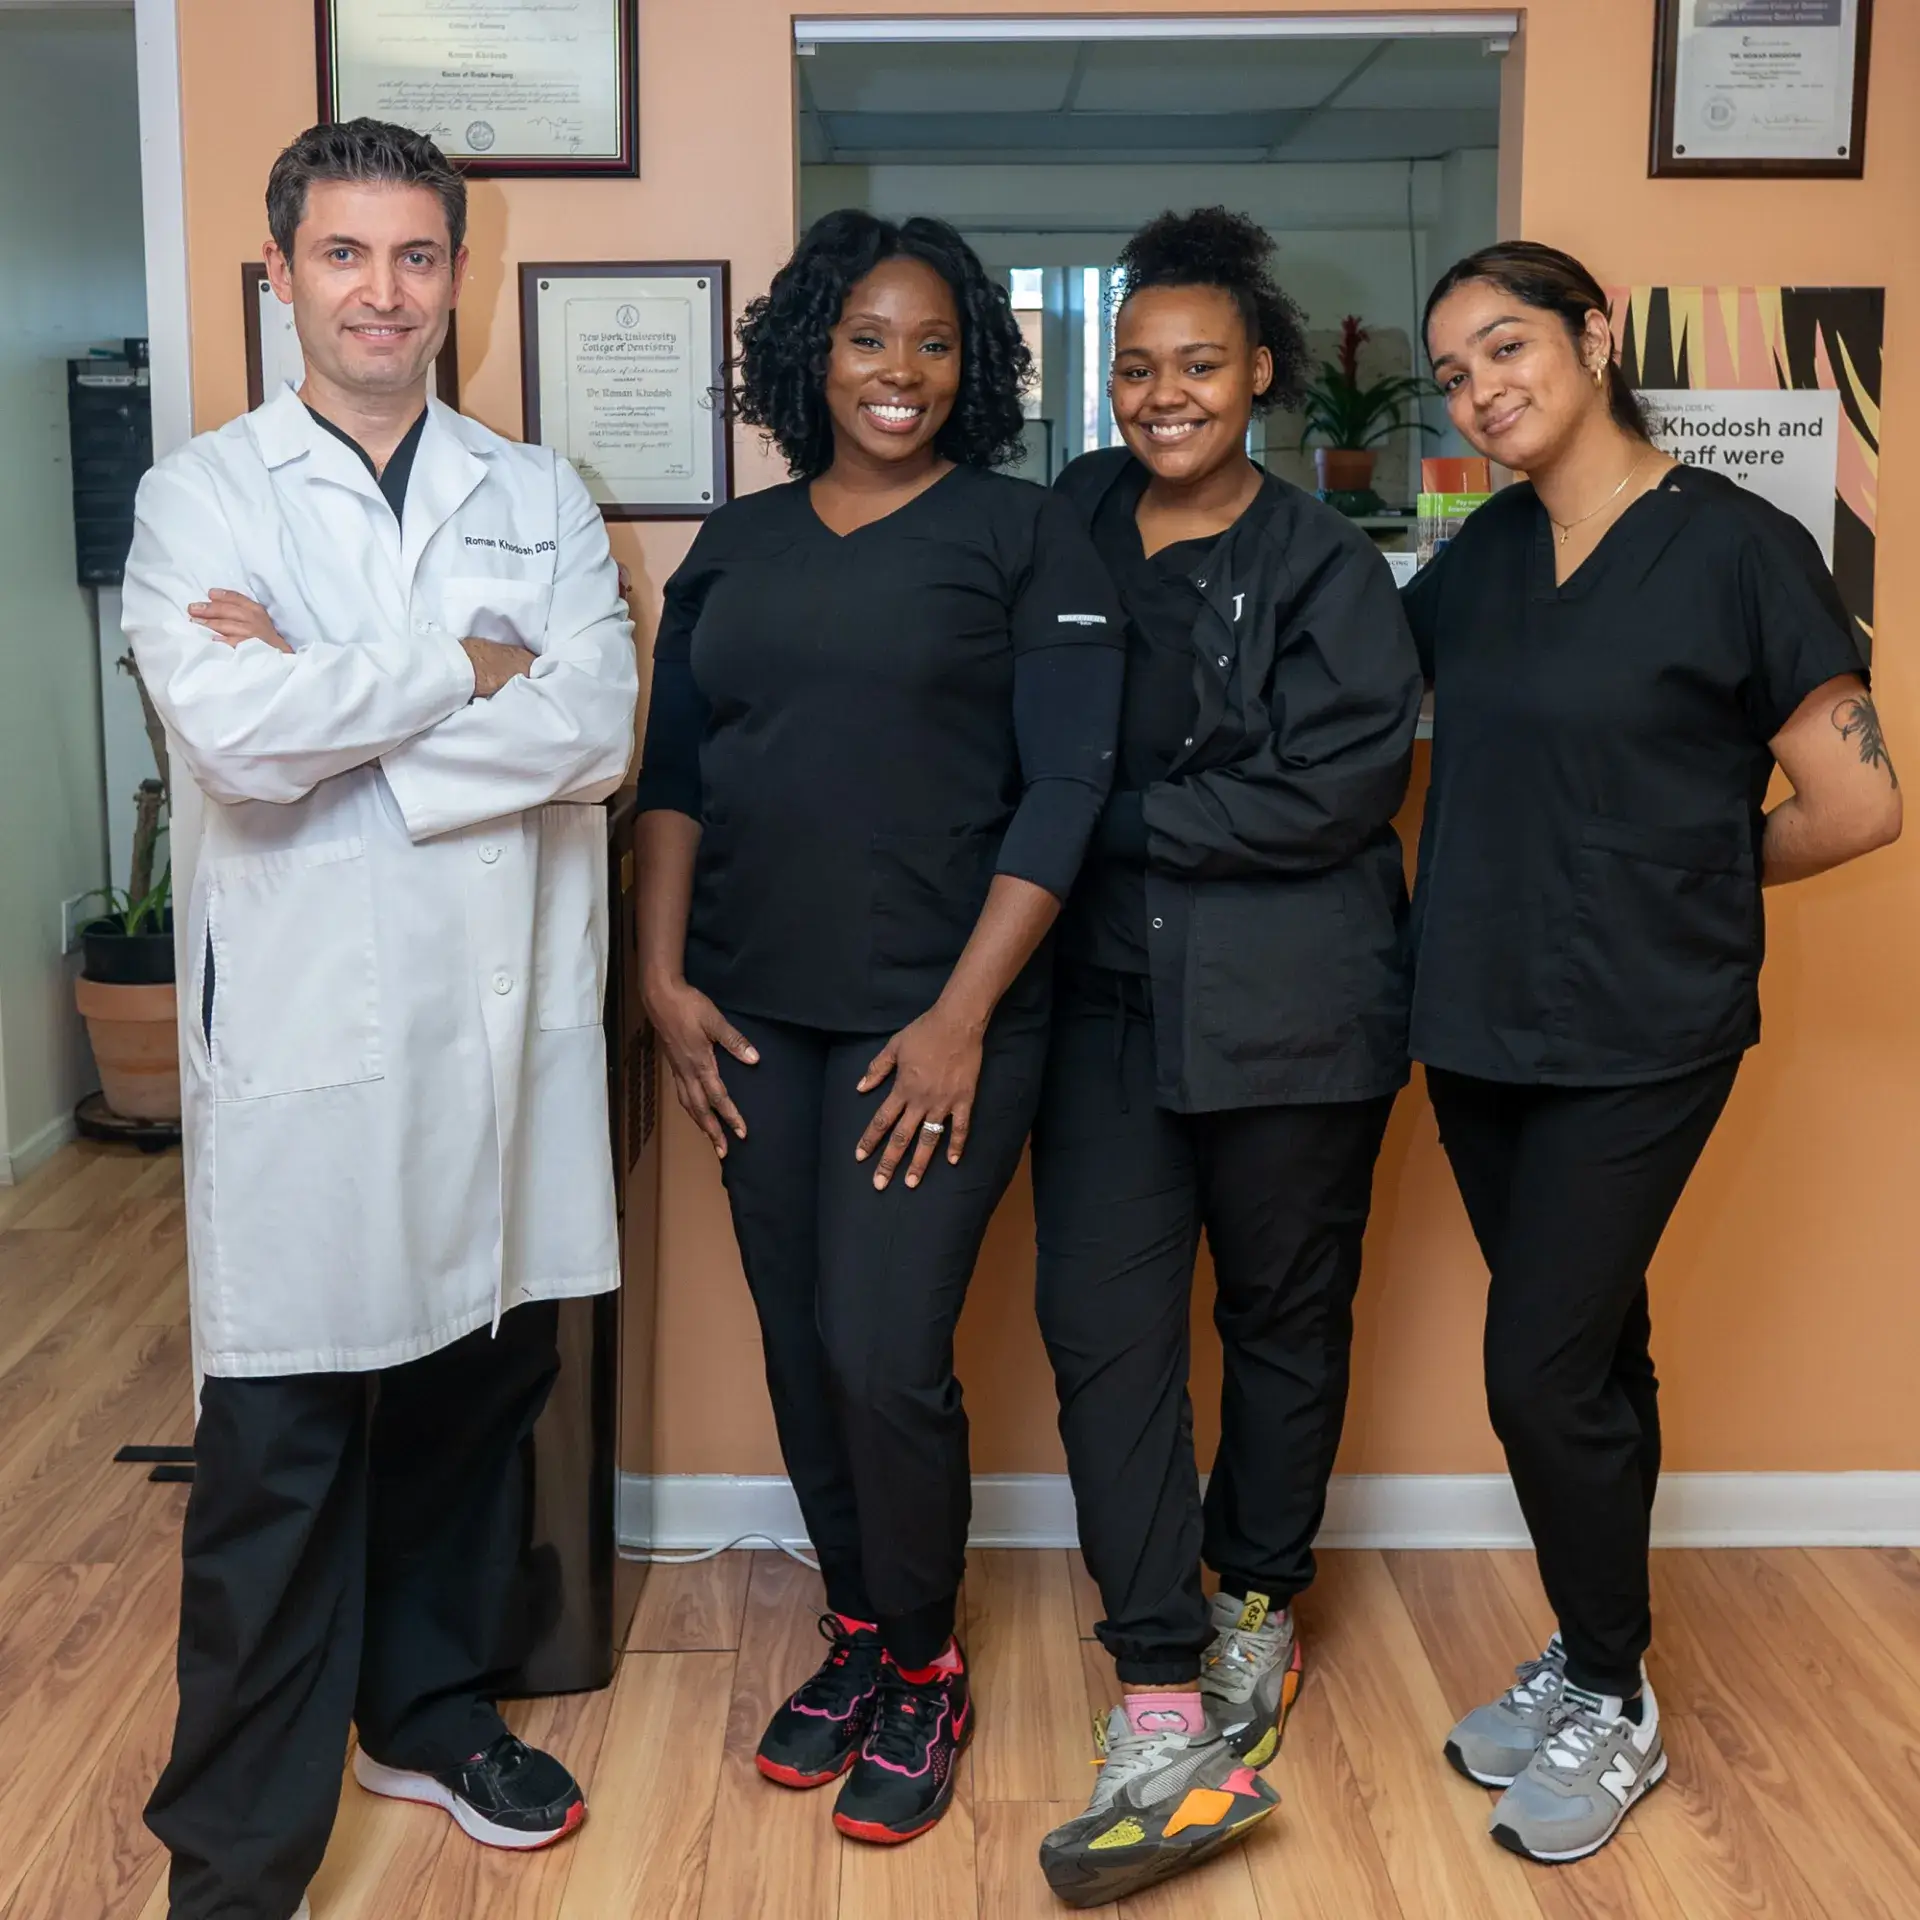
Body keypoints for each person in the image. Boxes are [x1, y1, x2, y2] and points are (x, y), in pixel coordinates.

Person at [122, 120, 638, 1920]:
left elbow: (596, 731)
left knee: (473, 1407)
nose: (384, 292)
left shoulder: (537, 492)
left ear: (458, 277)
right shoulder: (204, 497)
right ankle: (234, 1861)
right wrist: (467, 670)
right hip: (311, 1044)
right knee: (276, 1461)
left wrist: (343, 703)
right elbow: (238, 739)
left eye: (417, 256)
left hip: (500, 1041)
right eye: (344, 254)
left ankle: (424, 1711)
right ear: (282, 273)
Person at [634, 210, 1123, 1846]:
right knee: (797, 1340)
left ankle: (925, 1664)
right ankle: (857, 1628)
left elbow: (1069, 785)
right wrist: (661, 980)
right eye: (865, 338)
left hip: (939, 1018)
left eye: (933, 341)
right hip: (752, 1012)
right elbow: (677, 778)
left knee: (880, 1349)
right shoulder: (737, 544)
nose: (899, 370)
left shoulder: (1023, 534)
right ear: (812, 357)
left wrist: (964, 1016)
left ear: (972, 366)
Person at [1409, 240, 1900, 1865]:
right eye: (1455, 374)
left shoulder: (1741, 547)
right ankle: (1586, 1647)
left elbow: (1859, 804)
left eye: (1507, 347)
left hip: (1643, 1026)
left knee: (1536, 1370)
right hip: (1476, 1014)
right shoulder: (1479, 558)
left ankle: (1613, 1697)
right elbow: (1352, 699)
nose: (1483, 390)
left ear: (1594, 336)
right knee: (1597, 1351)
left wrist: (1691, 868)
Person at [1029, 208, 1424, 1907]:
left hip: (1294, 1016)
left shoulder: (1326, 562)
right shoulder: (1070, 520)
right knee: (1105, 1333)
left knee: (1282, 1316)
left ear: (1262, 373)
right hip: (1104, 1015)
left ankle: (1256, 1599)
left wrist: (1098, 823)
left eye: (1199, 365)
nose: (1164, 395)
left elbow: (1339, 792)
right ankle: (1157, 1668)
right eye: (1136, 367)